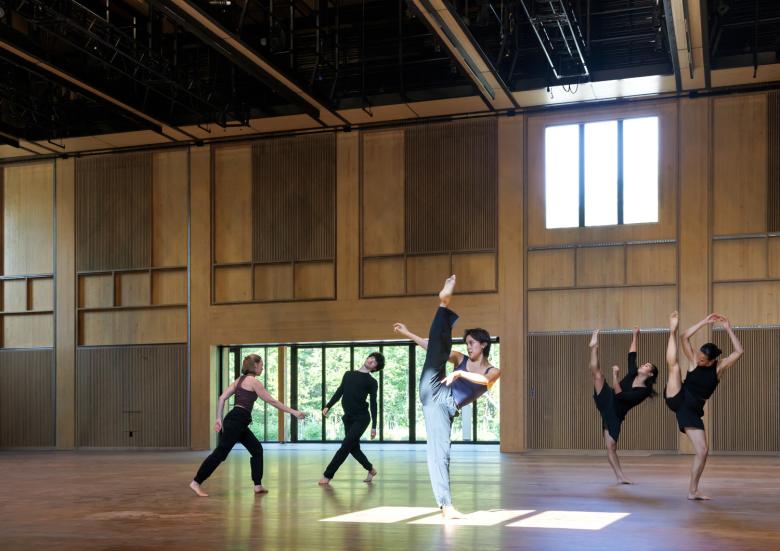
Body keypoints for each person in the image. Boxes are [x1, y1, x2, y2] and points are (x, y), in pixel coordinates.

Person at [393, 275, 500, 519]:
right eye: (467, 343)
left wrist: (459, 375)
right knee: (439, 349)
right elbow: (433, 347)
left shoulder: (492, 370)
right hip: (434, 388)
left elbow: (485, 382)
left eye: (472, 343)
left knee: (440, 453)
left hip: (444, 406)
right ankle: (443, 303)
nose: (468, 346)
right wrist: (409, 334)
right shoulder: (460, 358)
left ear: (484, 344)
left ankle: (445, 505)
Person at [190, 354, 306, 497]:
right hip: (237, 421)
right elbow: (272, 401)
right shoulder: (254, 382)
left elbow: (222, 397)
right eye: (261, 365)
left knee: (257, 450)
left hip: (238, 420)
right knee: (220, 453)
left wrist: (218, 418)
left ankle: (257, 485)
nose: (262, 368)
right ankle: (196, 482)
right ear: (255, 365)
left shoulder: (239, 380)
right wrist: (294, 412)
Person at [665, 311, 743, 500]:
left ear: (712, 361)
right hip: (678, 397)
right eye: (698, 355)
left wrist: (728, 328)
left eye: (702, 359)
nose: (698, 359)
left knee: (703, 451)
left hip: (692, 411)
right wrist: (704, 322)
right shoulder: (694, 360)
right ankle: (671, 331)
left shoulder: (719, 368)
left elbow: (739, 352)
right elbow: (685, 337)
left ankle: (693, 491)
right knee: (674, 366)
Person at [588, 327, 659, 484]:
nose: (643, 364)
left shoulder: (644, 391)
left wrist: (615, 376)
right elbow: (632, 355)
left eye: (647, 365)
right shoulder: (633, 373)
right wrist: (634, 336)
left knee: (611, 446)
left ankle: (620, 477)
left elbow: (620, 396)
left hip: (616, 412)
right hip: (608, 398)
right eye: (644, 363)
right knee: (597, 375)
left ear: (650, 374)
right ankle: (594, 347)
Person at [318, 352, 384, 485]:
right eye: (371, 358)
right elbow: (340, 391)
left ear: (375, 368)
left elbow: (374, 403)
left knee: (345, 447)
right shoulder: (348, 374)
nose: (371, 361)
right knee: (353, 449)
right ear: (367, 358)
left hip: (362, 418)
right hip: (348, 418)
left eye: (375, 361)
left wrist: (374, 426)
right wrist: (328, 405)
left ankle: (327, 475)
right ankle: (371, 469)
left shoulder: (372, 382)